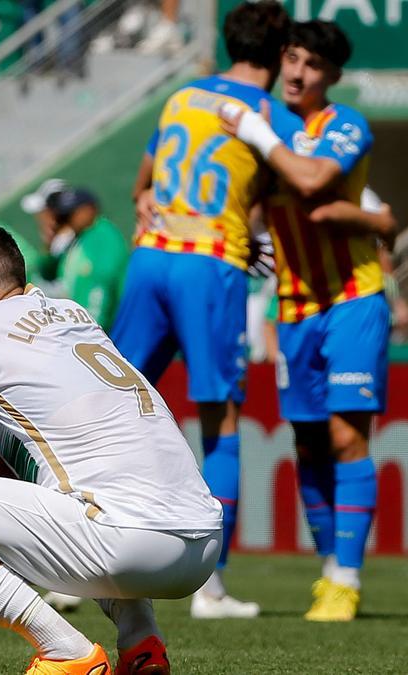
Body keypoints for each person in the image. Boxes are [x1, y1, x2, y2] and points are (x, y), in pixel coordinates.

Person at [0, 224, 221, 674]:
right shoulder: (70, 313)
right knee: (77, 493)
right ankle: (142, 646)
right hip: (201, 548)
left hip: (127, 541)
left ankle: (68, 655)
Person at [113, 0, 297, 619]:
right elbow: (300, 180)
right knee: (220, 416)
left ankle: (71, 564)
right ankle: (209, 587)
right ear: (278, 56)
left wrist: (143, 198)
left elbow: (140, 178)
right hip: (210, 261)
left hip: (151, 255)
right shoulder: (271, 111)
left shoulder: (182, 98)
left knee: (106, 403)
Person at [221, 20, 396, 623]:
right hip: (293, 309)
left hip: (354, 298)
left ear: (333, 77)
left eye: (313, 65)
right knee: (306, 442)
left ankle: (345, 579)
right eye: (291, 59)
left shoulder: (342, 125)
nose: (298, 73)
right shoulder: (268, 130)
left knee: (348, 437)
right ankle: (329, 568)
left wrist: (363, 219)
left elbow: (315, 179)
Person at [34, 187, 129, 330]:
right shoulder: (77, 240)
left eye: (72, 213)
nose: (69, 220)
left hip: (110, 328)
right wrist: (49, 243)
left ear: (89, 208)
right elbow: (46, 272)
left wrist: (93, 327)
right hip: (90, 328)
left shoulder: (101, 234)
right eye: (65, 216)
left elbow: (103, 281)